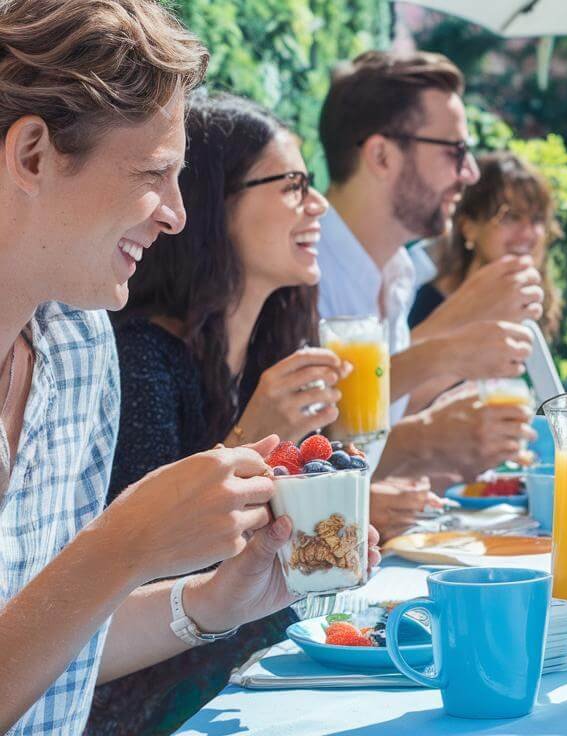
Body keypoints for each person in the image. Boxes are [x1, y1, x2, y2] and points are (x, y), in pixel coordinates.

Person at [0, 2, 378, 732]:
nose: (176, 214)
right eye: (153, 173)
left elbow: (52, 645)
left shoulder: (80, 349)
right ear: (33, 157)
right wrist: (123, 546)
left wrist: (208, 602)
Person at [88, 92, 356, 734]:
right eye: (292, 184)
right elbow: (136, 565)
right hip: (162, 707)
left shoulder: (270, 348)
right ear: (216, 205)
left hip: (253, 677)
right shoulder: (140, 360)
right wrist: (252, 435)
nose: (316, 205)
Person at [316, 50, 541, 489]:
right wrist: (455, 331)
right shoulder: (301, 266)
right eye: (456, 151)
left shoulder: (397, 271)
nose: (471, 173)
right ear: (381, 156)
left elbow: (370, 433)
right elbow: (310, 447)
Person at [406, 150, 564, 411]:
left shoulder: (535, 307)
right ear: (468, 226)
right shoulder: (424, 306)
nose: (527, 233)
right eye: (510, 216)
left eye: (537, 219)